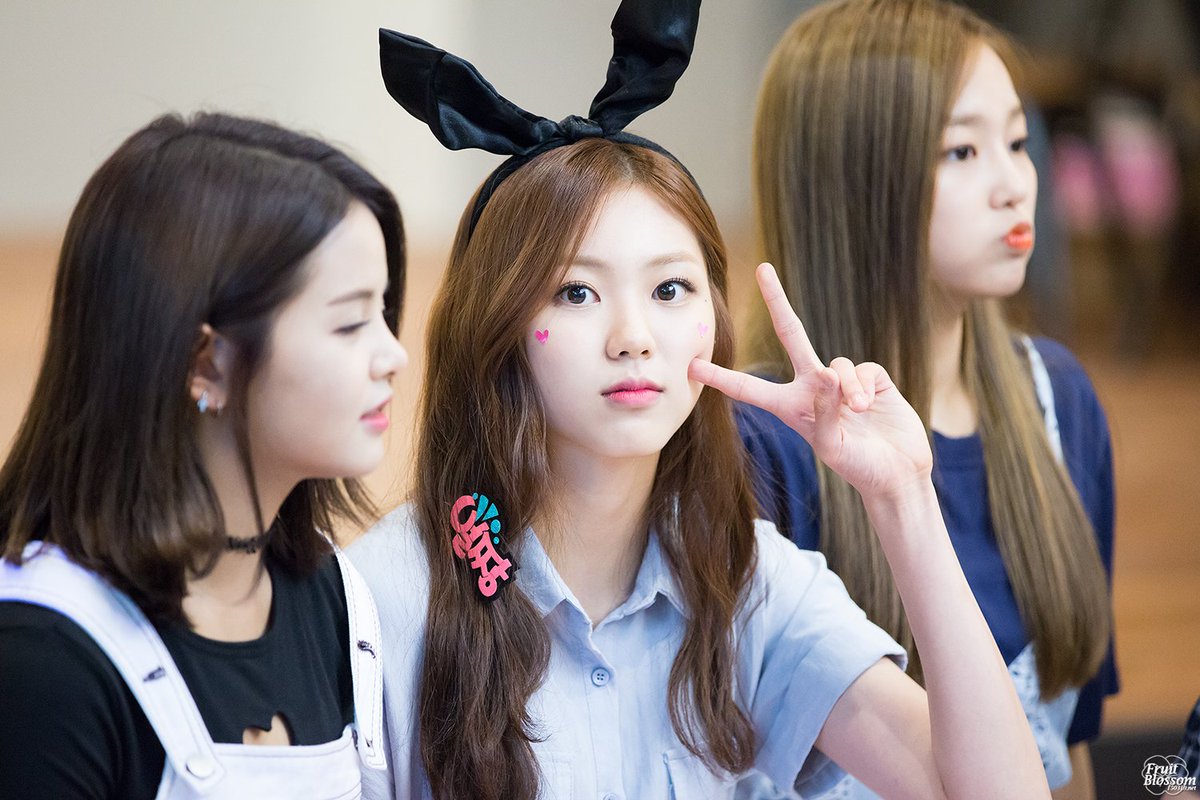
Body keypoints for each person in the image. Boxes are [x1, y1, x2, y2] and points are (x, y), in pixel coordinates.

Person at [350, 2, 1049, 797]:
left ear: (713, 319)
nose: (633, 337)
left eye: (670, 289)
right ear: (499, 325)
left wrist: (904, 499)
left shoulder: (746, 581)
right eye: (576, 293)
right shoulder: (381, 599)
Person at [741, 0, 1116, 796]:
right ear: (853, 178)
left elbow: (1071, 748)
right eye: (964, 150)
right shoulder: (763, 445)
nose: (1015, 185)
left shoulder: (1059, 400)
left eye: (1019, 142)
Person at [0, 111, 407, 799]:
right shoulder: (42, 654)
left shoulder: (334, 599)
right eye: (349, 323)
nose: (393, 356)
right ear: (206, 362)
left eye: (384, 312)